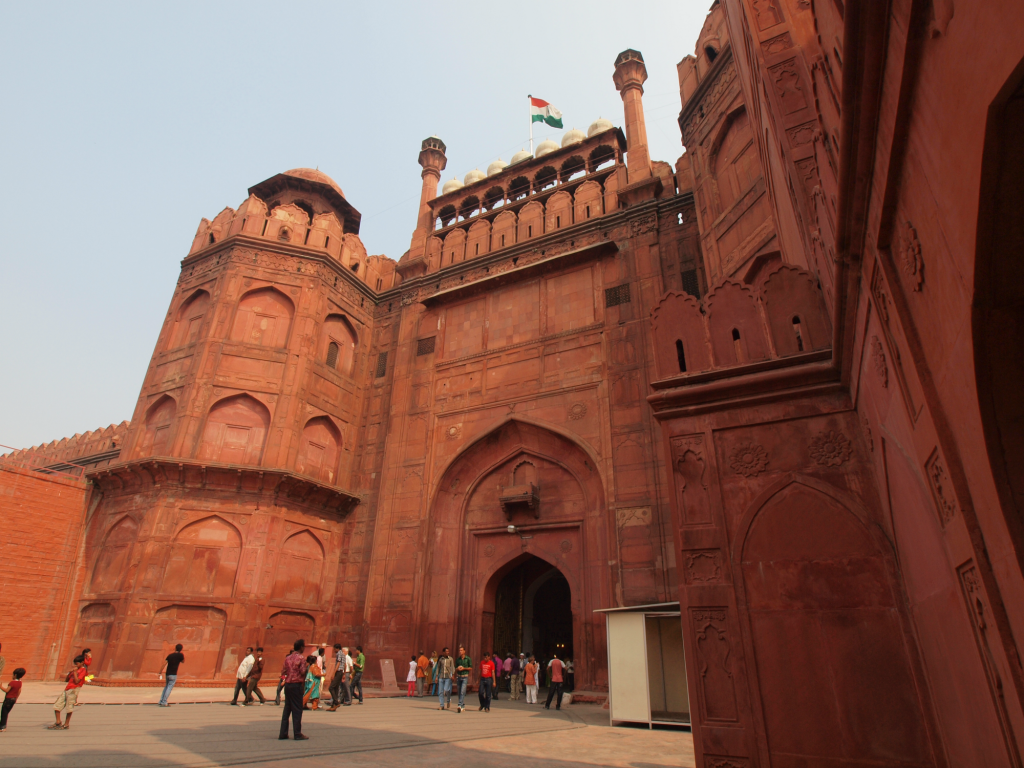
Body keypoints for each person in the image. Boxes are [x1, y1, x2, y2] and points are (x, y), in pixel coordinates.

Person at [279, 639, 309, 740]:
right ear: (301, 647)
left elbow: (283, 671)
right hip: (296, 685)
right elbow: (302, 672)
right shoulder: (301, 658)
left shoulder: (287, 658)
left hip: (288, 684)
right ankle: (297, 733)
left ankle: (283, 733)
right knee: (297, 710)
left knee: (287, 709)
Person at [50, 654, 87, 729]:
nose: (76, 665)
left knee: (69, 707)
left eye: (77, 664)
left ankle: (66, 724)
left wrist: (75, 672)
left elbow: (77, 681)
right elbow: (66, 680)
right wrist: (70, 673)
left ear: (82, 662)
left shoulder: (83, 670)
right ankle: (58, 721)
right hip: (67, 688)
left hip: (74, 689)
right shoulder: (75, 671)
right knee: (57, 705)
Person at [454, 645, 472, 713]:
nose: (460, 651)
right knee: (459, 692)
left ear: (464, 651)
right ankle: (462, 705)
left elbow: (470, 667)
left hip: (465, 676)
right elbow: (455, 668)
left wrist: (464, 668)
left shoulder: (468, 659)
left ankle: (459, 705)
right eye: (459, 650)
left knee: (462, 691)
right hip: (459, 676)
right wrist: (458, 668)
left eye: (461, 650)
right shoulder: (458, 659)